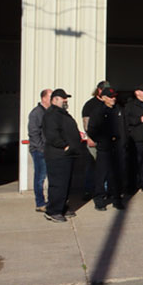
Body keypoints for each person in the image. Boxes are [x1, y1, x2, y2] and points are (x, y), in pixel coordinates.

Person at [42, 89, 82, 223]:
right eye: (63, 98)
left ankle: (62, 206)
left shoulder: (63, 114)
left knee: (66, 183)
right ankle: (53, 211)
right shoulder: (52, 114)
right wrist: (65, 146)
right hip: (58, 155)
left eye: (66, 98)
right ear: (54, 100)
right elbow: (52, 135)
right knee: (58, 184)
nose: (66, 101)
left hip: (67, 155)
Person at [87, 87, 125, 211]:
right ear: (103, 98)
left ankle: (116, 199)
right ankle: (99, 199)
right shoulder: (97, 111)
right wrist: (102, 140)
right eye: (110, 97)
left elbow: (123, 127)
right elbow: (92, 130)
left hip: (117, 147)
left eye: (114, 97)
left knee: (116, 175)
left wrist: (123, 142)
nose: (113, 99)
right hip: (104, 148)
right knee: (101, 174)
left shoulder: (118, 110)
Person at [80, 80, 110, 197]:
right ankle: (89, 190)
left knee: (106, 167)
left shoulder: (109, 104)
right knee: (92, 166)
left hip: (107, 141)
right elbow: (86, 123)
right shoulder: (90, 105)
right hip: (94, 141)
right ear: (99, 90)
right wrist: (90, 137)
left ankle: (105, 190)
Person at [26, 89, 51, 212]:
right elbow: (33, 133)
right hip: (39, 151)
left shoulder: (50, 113)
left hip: (50, 150)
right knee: (40, 177)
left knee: (51, 177)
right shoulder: (36, 113)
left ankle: (51, 201)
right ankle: (40, 203)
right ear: (44, 98)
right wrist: (41, 149)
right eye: (51, 97)